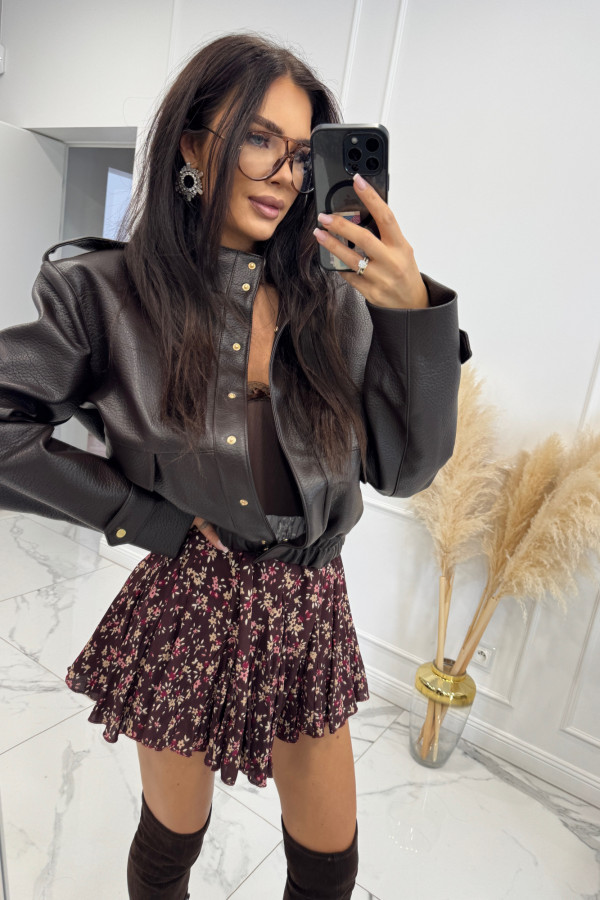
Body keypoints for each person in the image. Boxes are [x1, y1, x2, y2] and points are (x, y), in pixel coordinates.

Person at [0, 33, 470, 900]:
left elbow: (405, 472)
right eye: (258, 139)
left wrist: (414, 317)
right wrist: (143, 516)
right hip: (189, 599)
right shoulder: (107, 293)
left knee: (329, 869)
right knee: (169, 848)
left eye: (300, 154)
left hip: (308, 609)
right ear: (192, 144)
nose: (284, 174)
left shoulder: (337, 302)